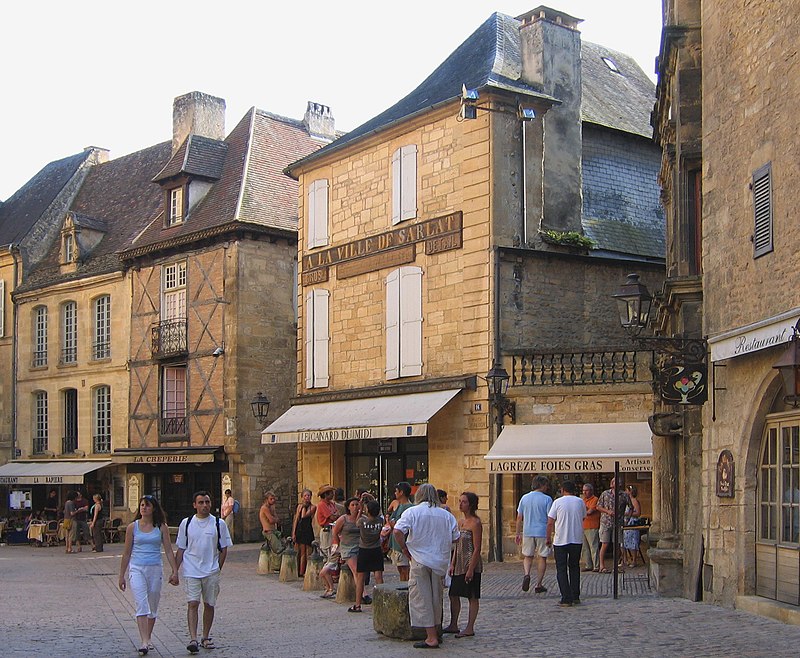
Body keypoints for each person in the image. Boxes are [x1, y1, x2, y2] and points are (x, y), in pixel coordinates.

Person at [393, 483, 459, 649]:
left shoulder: (412, 512)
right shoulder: (446, 515)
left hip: (419, 558)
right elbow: (456, 537)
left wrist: (404, 548)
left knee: (422, 598)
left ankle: (431, 636)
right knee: (436, 598)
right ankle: (436, 631)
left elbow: (397, 531)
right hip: (439, 561)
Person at [118, 495, 179, 655]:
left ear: (154, 508)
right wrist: (121, 575)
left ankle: (148, 636)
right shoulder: (132, 527)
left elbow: (168, 550)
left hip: (155, 568)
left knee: (152, 604)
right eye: (142, 505)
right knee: (141, 603)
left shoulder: (161, 527)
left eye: (147, 505)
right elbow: (126, 553)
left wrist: (175, 570)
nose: (144, 508)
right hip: (137, 568)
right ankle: (144, 641)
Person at [175, 490, 233, 654]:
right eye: (201, 502)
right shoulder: (186, 523)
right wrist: (174, 570)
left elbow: (224, 549)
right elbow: (181, 548)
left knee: (209, 604)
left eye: (207, 502)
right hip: (191, 569)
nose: (204, 505)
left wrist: (218, 568)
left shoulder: (218, 524)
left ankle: (205, 636)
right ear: (194, 505)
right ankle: (193, 638)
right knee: (193, 603)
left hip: (211, 570)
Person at [443, 492, 483, 639]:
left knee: (472, 596)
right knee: (453, 594)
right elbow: (457, 545)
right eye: (460, 501)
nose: (460, 504)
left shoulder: (475, 523)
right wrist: (452, 563)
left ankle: (469, 627)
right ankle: (453, 624)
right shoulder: (459, 522)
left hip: (470, 562)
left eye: (464, 502)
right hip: (459, 562)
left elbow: (477, 548)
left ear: (470, 505)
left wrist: (471, 569)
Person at [546, 481, 586, 607]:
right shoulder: (580, 502)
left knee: (561, 569)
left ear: (563, 490)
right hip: (576, 539)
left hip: (560, 540)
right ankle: (575, 595)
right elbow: (583, 517)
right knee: (574, 567)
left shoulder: (557, 502)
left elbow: (550, 521)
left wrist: (548, 537)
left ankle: (566, 597)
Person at [515, 474, 552, 593]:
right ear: (542, 485)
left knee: (528, 556)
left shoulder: (524, 498)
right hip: (542, 531)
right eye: (546, 485)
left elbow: (519, 517)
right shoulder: (547, 499)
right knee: (542, 557)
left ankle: (527, 574)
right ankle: (538, 584)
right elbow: (550, 518)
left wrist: (518, 533)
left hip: (528, 531)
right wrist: (550, 534)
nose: (547, 487)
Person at [320, 497, 361, 602]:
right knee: (324, 572)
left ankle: (361, 594)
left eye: (357, 504)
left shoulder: (362, 518)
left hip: (358, 548)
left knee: (357, 572)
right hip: (345, 548)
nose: (355, 507)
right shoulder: (343, 519)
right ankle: (330, 588)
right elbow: (335, 532)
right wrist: (337, 544)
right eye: (352, 505)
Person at [352, 499, 384, 612]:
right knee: (378, 576)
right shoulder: (380, 520)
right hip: (376, 549)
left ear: (368, 511)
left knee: (360, 577)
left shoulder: (362, 521)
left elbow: (356, 522)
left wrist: (360, 509)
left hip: (364, 550)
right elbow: (380, 512)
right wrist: (371, 499)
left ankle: (357, 604)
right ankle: (382, 602)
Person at [596, 478, 631, 573]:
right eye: (614, 481)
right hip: (606, 522)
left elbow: (631, 507)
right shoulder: (605, 494)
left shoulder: (624, 495)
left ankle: (616, 566)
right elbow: (598, 506)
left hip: (618, 523)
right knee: (604, 544)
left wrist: (627, 519)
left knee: (617, 544)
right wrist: (607, 511)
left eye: (618, 482)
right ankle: (602, 566)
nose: (616, 483)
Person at [388, 481, 414, 581]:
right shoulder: (399, 506)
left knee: (405, 570)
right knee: (400, 569)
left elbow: (397, 525)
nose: (395, 493)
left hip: (403, 544)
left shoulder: (409, 508)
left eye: (396, 491)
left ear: (401, 492)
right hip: (396, 544)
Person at [292, 488, 316, 577]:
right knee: (300, 551)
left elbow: (304, 516)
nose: (307, 497)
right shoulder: (299, 506)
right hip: (300, 530)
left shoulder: (313, 507)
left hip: (308, 530)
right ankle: (300, 570)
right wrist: (293, 532)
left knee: (308, 551)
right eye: (305, 496)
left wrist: (303, 508)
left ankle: (306, 570)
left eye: (308, 495)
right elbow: (296, 520)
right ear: (302, 497)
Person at [316, 484, 340, 565]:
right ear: (326, 495)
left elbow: (337, 514)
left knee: (333, 551)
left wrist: (335, 516)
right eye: (331, 493)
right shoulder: (322, 504)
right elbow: (332, 517)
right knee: (327, 551)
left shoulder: (331, 504)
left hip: (333, 529)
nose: (333, 495)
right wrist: (334, 516)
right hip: (326, 530)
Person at [259, 491, 283, 570]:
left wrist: (275, 517)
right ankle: (276, 567)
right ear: (267, 499)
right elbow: (271, 520)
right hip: (268, 532)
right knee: (278, 548)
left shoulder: (271, 508)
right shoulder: (264, 508)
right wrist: (276, 519)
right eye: (271, 499)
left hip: (274, 531)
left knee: (283, 545)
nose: (273, 500)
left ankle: (277, 565)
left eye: (274, 499)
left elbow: (277, 519)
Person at [581, 483, 600, 572]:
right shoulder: (583, 500)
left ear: (591, 491)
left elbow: (590, 511)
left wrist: (583, 507)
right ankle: (588, 564)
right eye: (583, 490)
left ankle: (596, 565)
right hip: (583, 526)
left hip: (592, 526)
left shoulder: (595, 499)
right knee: (585, 548)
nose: (584, 492)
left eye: (586, 490)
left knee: (593, 546)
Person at [622, 485, 642, 568]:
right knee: (623, 542)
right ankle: (624, 560)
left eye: (626, 490)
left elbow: (638, 513)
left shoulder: (634, 501)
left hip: (632, 522)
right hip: (625, 523)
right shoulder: (626, 500)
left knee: (632, 542)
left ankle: (634, 560)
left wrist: (627, 513)